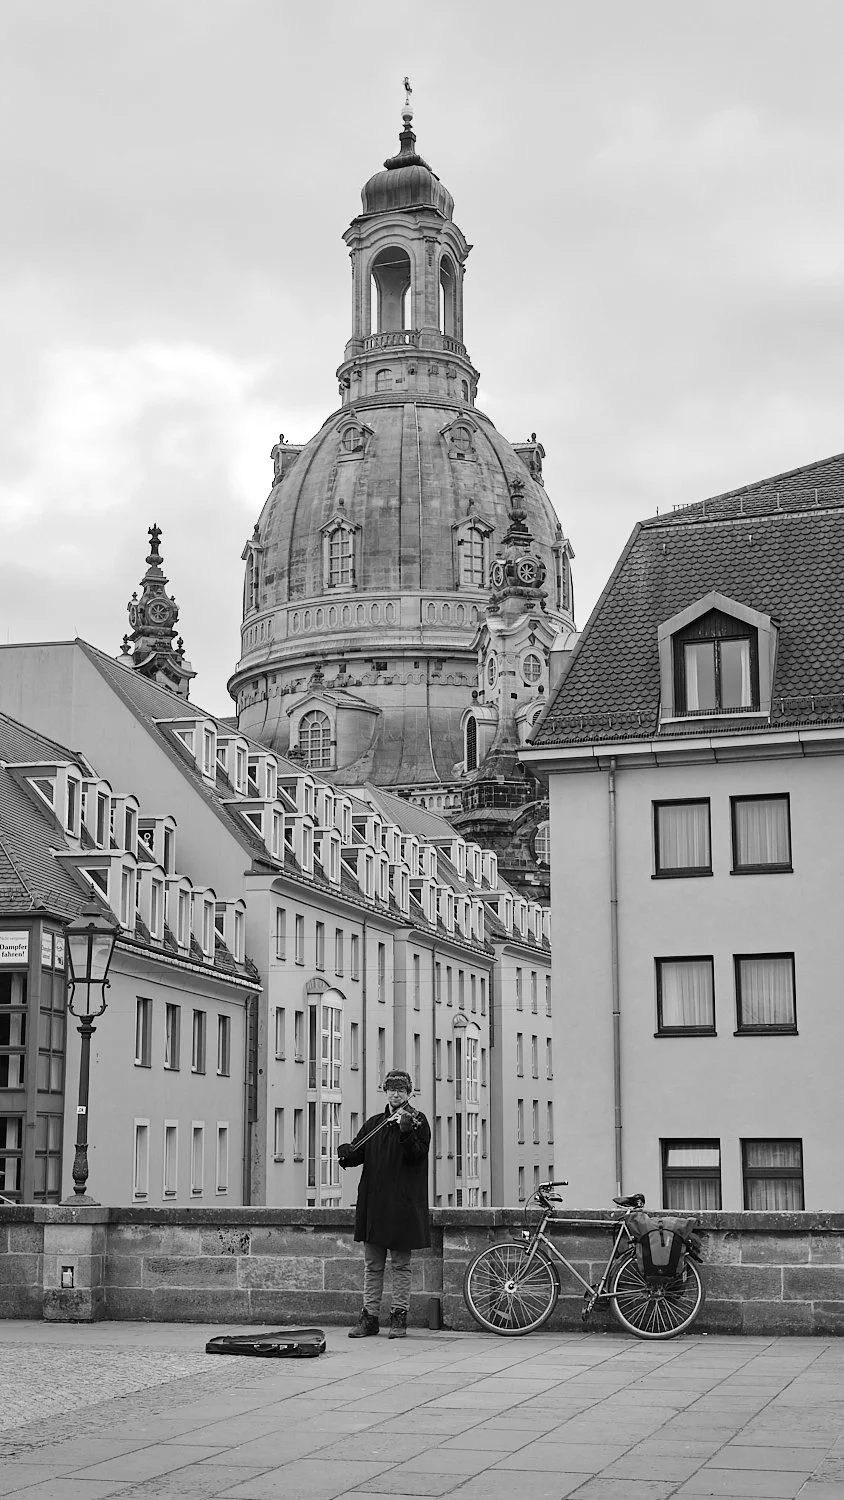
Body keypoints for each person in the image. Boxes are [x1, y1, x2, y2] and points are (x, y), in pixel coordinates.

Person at [337, 1070, 431, 1340]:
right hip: (375, 1203)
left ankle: (399, 1318)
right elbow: (359, 1153)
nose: (396, 1094)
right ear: (385, 1092)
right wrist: (345, 1153)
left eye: (401, 1090)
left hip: (402, 1204)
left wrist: (405, 1132)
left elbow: (417, 1155)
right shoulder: (375, 1123)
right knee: (372, 1265)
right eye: (391, 1089)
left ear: (409, 1092)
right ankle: (369, 1318)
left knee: (401, 1266)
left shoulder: (417, 1121)